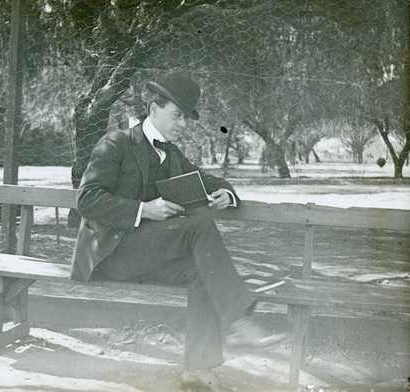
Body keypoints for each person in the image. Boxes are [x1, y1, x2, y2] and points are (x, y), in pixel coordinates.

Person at [70, 71, 289, 387]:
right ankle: (239, 322)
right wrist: (143, 209)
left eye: (186, 119)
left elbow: (207, 180)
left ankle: (197, 367)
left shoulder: (171, 153)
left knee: (203, 271)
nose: (183, 125)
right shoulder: (116, 142)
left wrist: (226, 194)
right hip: (108, 254)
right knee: (198, 225)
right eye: (177, 116)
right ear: (152, 109)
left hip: (144, 256)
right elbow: (87, 199)